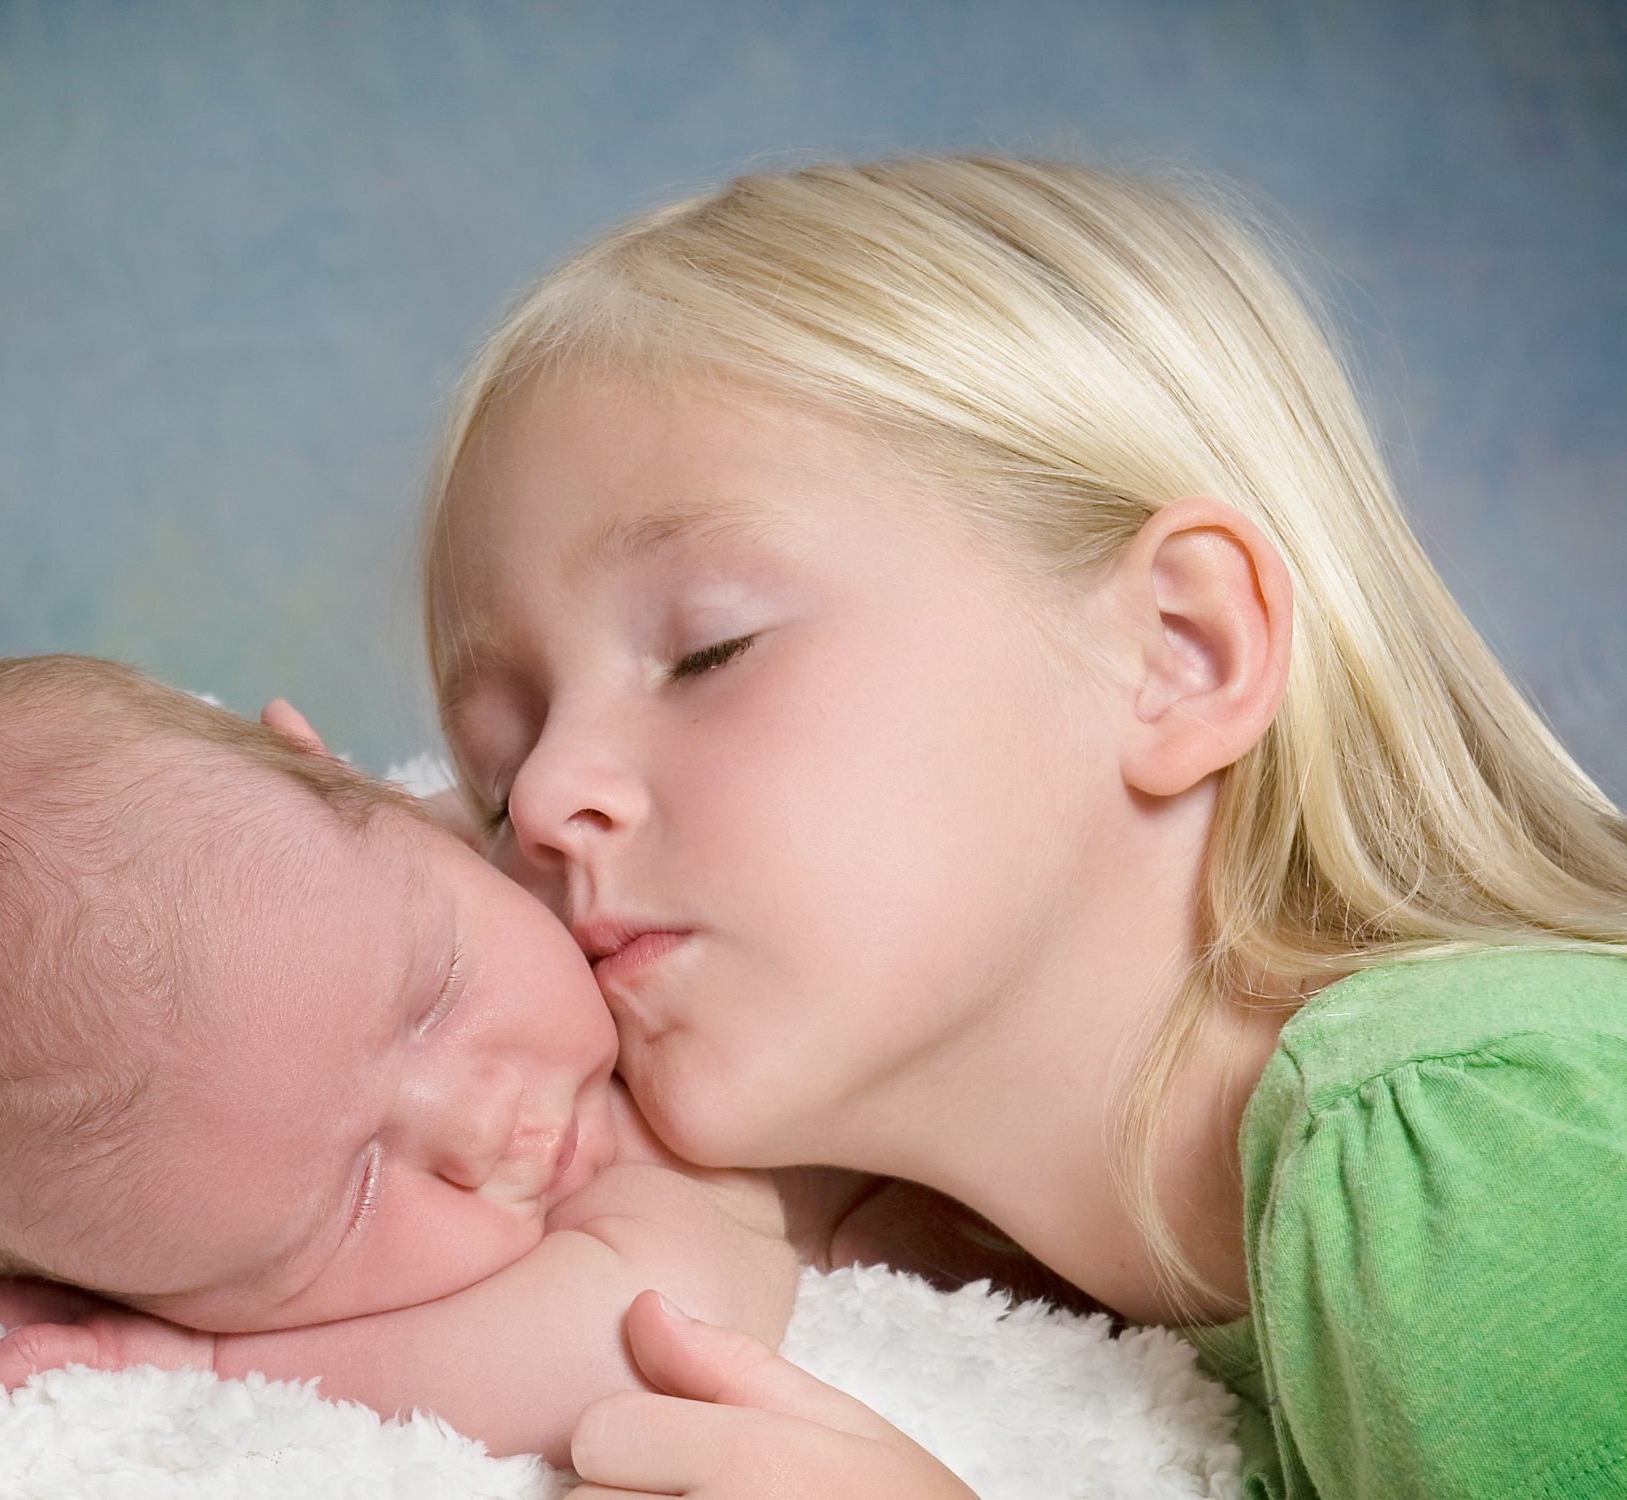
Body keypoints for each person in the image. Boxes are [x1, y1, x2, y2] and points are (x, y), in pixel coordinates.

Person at [401, 157, 1627, 1498]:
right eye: (494, 761)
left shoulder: (1479, 1148)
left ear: (1180, 653)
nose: (545, 796)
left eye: (710, 651)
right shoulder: (1016, 1284)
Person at [0, 654, 1009, 1472]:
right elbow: (643, 1336)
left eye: (431, 991)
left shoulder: (571, 840)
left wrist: (232, 1360)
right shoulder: (619, 1194)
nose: (477, 1123)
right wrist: (216, 1376)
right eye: (350, 1202)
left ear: (348, 780)